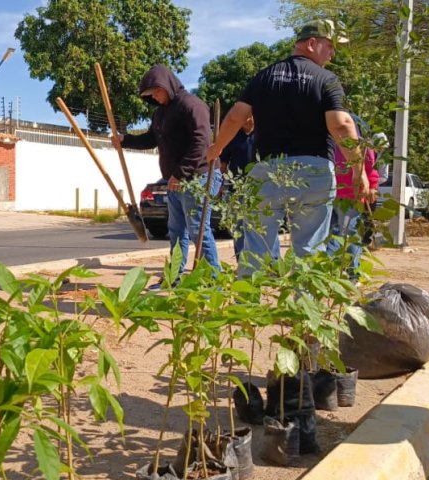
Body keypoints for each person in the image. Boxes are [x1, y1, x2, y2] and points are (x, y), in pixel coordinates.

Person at [205, 19, 370, 274]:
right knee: (309, 250)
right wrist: (359, 172)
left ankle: (248, 309)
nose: (333, 53)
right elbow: (340, 124)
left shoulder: (263, 77)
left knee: (255, 248)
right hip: (314, 174)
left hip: (266, 172)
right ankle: (303, 312)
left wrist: (216, 149)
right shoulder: (326, 79)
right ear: (312, 43)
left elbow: (236, 116)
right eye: (330, 46)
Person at [112, 64, 221, 288]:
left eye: (157, 91)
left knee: (198, 229)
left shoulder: (191, 105)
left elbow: (201, 143)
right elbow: (151, 139)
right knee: (176, 231)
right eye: (151, 94)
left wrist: (180, 174)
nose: (156, 97)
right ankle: (173, 279)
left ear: (167, 84)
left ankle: (214, 281)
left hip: (198, 176)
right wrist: (126, 140)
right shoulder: (160, 113)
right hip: (176, 181)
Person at [325, 114, 379, 279]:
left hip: (351, 196)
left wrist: (373, 187)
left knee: (346, 233)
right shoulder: (331, 144)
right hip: (331, 195)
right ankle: (332, 271)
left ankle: (351, 273)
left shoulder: (362, 147)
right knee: (336, 235)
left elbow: (370, 168)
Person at [219, 115, 255, 256]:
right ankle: (242, 261)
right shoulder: (232, 136)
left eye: (248, 115)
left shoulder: (262, 135)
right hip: (237, 189)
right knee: (239, 227)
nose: (245, 118)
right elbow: (223, 164)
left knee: (259, 227)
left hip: (258, 189)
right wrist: (220, 184)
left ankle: (265, 264)